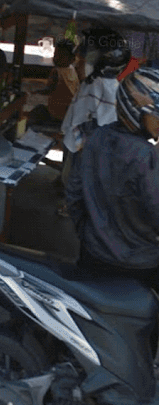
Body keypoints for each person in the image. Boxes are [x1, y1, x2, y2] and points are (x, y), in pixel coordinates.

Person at [66, 68, 159, 292]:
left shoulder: (96, 137)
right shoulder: (146, 156)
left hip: (93, 254)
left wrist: (89, 233)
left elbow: (73, 193)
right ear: (135, 110)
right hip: (139, 266)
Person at [58, 27, 130, 215]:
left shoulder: (98, 86)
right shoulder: (104, 83)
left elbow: (90, 118)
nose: (82, 59)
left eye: (88, 56)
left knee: (78, 178)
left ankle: (76, 208)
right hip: (94, 144)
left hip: (90, 144)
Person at [27, 37, 79, 127]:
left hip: (57, 114)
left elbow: (49, 90)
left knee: (36, 112)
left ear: (72, 59)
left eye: (61, 56)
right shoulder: (72, 70)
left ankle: (31, 136)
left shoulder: (56, 72)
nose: (56, 58)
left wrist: (34, 92)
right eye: (55, 54)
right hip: (70, 112)